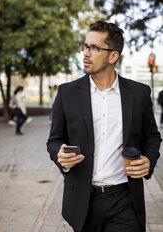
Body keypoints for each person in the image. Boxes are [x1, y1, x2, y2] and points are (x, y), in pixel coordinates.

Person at [47, 21, 162, 232]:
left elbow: (152, 136)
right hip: (83, 200)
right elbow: (54, 141)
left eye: (95, 48)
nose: (86, 53)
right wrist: (59, 156)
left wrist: (149, 160)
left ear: (113, 56)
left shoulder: (139, 93)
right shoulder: (66, 93)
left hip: (125, 199)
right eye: (85, 46)